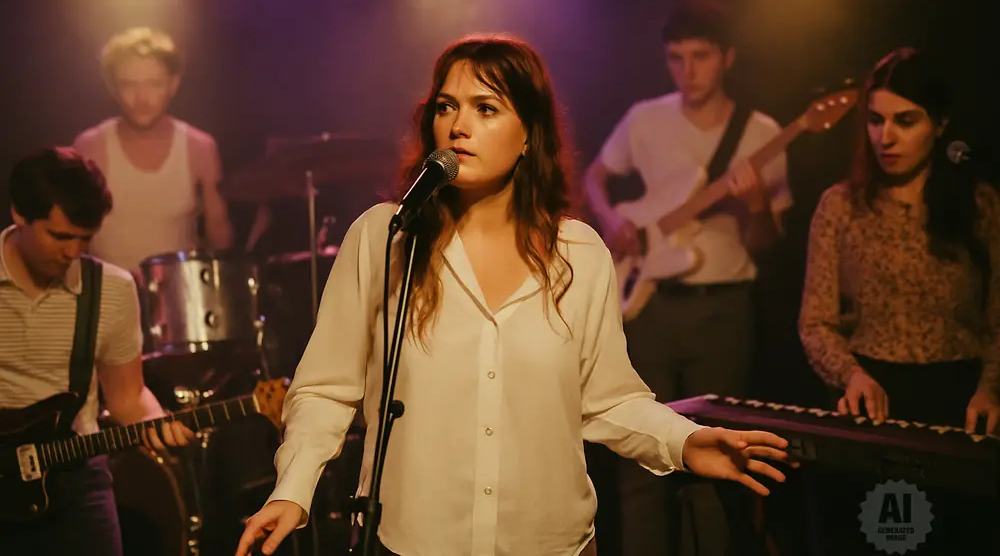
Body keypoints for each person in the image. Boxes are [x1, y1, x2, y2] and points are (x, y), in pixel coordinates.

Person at [236, 34, 791, 556]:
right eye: (446, 107)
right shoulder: (388, 235)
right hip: (415, 541)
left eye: (486, 108)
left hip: (550, 542)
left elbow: (609, 401)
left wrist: (685, 444)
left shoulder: (579, 253)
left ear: (529, 134)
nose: (458, 126)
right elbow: (326, 388)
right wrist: (294, 487)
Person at [584, 0, 792, 555]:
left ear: (728, 58)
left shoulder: (762, 134)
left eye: (700, 56)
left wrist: (755, 207)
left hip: (723, 309)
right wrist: (611, 221)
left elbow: (768, 244)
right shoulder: (645, 118)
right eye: (676, 58)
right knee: (638, 459)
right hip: (648, 307)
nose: (687, 70)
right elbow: (596, 177)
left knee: (716, 464)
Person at [798, 47, 1000, 554]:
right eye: (874, 120)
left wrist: (991, 389)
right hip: (872, 406)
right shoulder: (840, 206)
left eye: (905, 121)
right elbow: (815, 321)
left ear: (941, 122)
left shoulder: (979, 204)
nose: (885, 137)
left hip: (959, 408)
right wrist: (851, 375)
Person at [0, 147, 195, 556]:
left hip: (75, 476)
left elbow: (127, 398)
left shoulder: (112, 289)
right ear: (19, 214)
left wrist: (155, 421)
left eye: (84, 239)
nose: (73, 252)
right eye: (60, 236)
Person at [72, 26, 233, 274]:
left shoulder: (199, 148)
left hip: (181, 299)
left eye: (153, 84)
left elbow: (218, 235)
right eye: (129, 85)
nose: (142, 97)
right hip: (106, 298)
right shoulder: (90, 147)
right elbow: (71, 237)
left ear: (173, 84)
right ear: (112, 87)